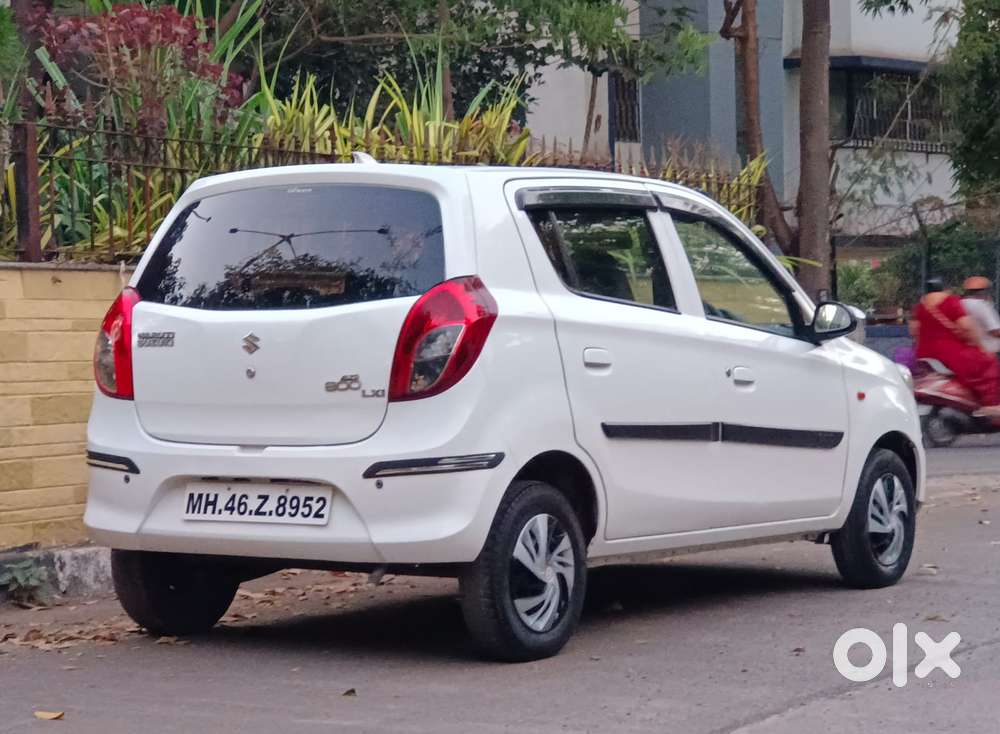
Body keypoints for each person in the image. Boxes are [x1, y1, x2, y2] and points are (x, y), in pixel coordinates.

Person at [910, 278, 1000, 416]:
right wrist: (979, 347)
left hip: (924, 352)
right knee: (988, 362)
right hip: (949, 351)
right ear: (945, 288)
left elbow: (913, 331)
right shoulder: (951, 302)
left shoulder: (920, 306)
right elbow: (967, 328)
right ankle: (991, 405)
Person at [961, 276, 1000, 356]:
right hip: (987, 353)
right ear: (984, 291)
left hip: (966, 351)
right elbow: (995, 332)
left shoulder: (959, 303)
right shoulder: (982, 305)